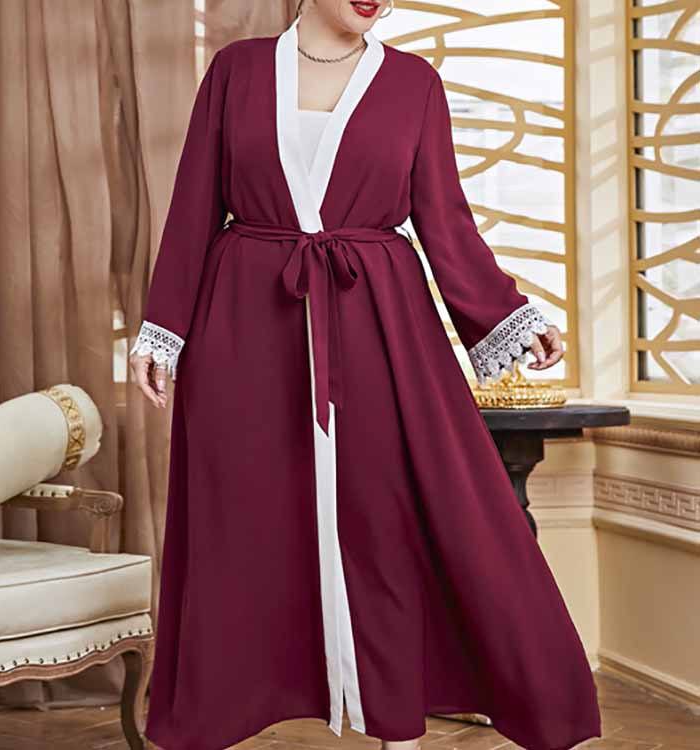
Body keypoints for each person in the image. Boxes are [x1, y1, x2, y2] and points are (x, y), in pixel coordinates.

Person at [129, 2, 601, 750]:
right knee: (240, 522)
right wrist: (164, 329)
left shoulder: (414, 83)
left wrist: (508, 313)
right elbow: (193, 206)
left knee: (387, 519)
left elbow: (444, 218)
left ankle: (398, 724)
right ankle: (222, 713)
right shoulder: (236, 71)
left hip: (379, 322)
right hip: (244, 326)